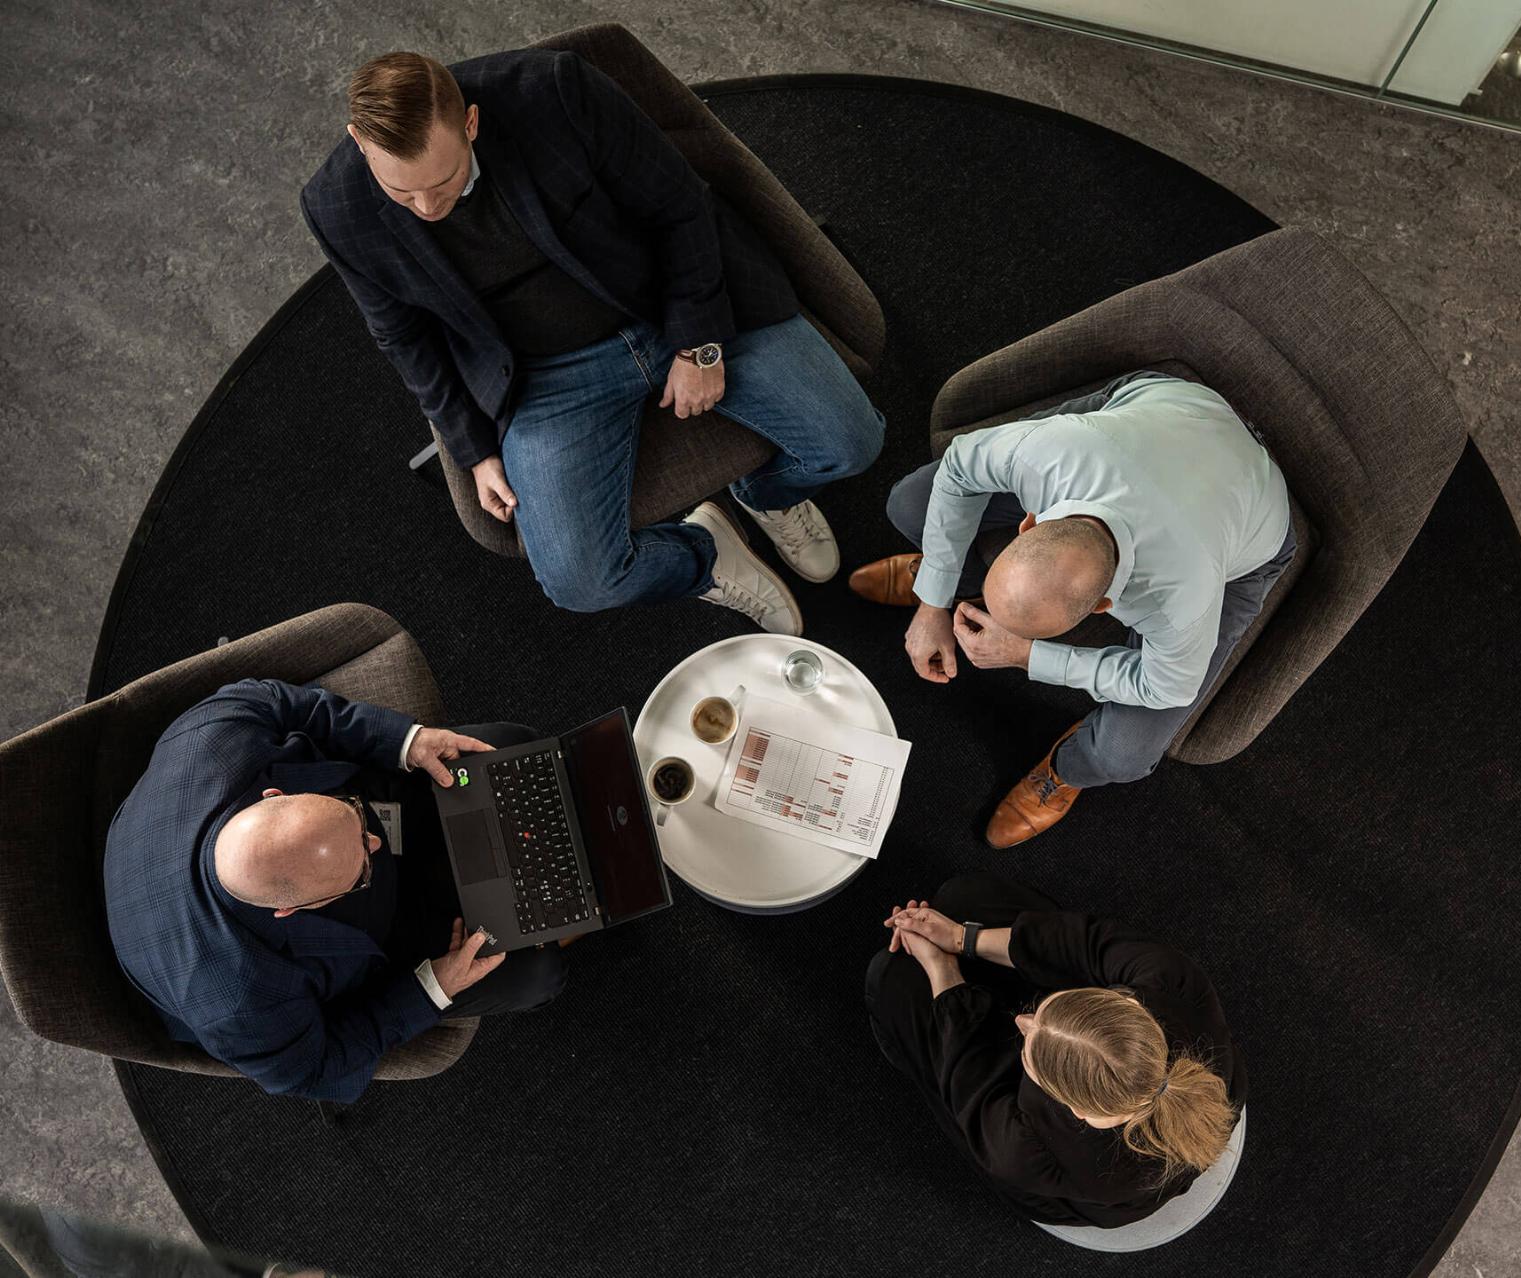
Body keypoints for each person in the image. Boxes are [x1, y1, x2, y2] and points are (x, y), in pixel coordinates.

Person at [301, 49, 886, 636]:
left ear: (471, 123)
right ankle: (705, 558)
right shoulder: (334, 207)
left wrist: (699, 345)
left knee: (853, 443)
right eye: (403, 194)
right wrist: (473, 450)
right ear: (360, 142)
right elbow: (402, 335)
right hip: (545, 377)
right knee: (580, 583)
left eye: (444, 180)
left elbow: (681, 206)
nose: (429, 208)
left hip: (662, 304)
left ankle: (765, 493)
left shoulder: (555, 92)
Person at [850, 371, 1294, 846]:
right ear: (1029, 523)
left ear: (1104, 607)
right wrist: (933, 601)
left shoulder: (1179, 601)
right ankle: (957, 579)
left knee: (1124, 754)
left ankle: (1066, 772)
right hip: (1171, 405)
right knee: (911, 504)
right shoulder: (1046, 452)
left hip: (1254, 516)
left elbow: (1166, 685)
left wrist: (1027, 655)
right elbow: (959, 468)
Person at [104, 678, 571, 1102]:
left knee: (512, 747)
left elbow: (285, 703)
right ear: (290, 910)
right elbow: (313, 1071)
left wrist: (406, 741)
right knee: (536, 972)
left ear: (276, 796)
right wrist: (432, 988)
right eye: (364, 866)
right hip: (381, 940)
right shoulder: (241, 1004)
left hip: (373, 795)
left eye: (353, 819)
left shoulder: (212, 736)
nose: (376, 843)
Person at [865, 874, 1246, 1228]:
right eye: (1045, 1009)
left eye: (1029, 1053)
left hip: (1082, 1191)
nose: (1022, 1021)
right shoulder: (1172, 983)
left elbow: (971, 1080)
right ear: (1125, 1002)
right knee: (964, 896)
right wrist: (962, 938)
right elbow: (1084, 945)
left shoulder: (1030, 1152)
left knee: (891, 975)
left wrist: (941, 967)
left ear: (1078, 1111)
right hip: (1104, 1085)